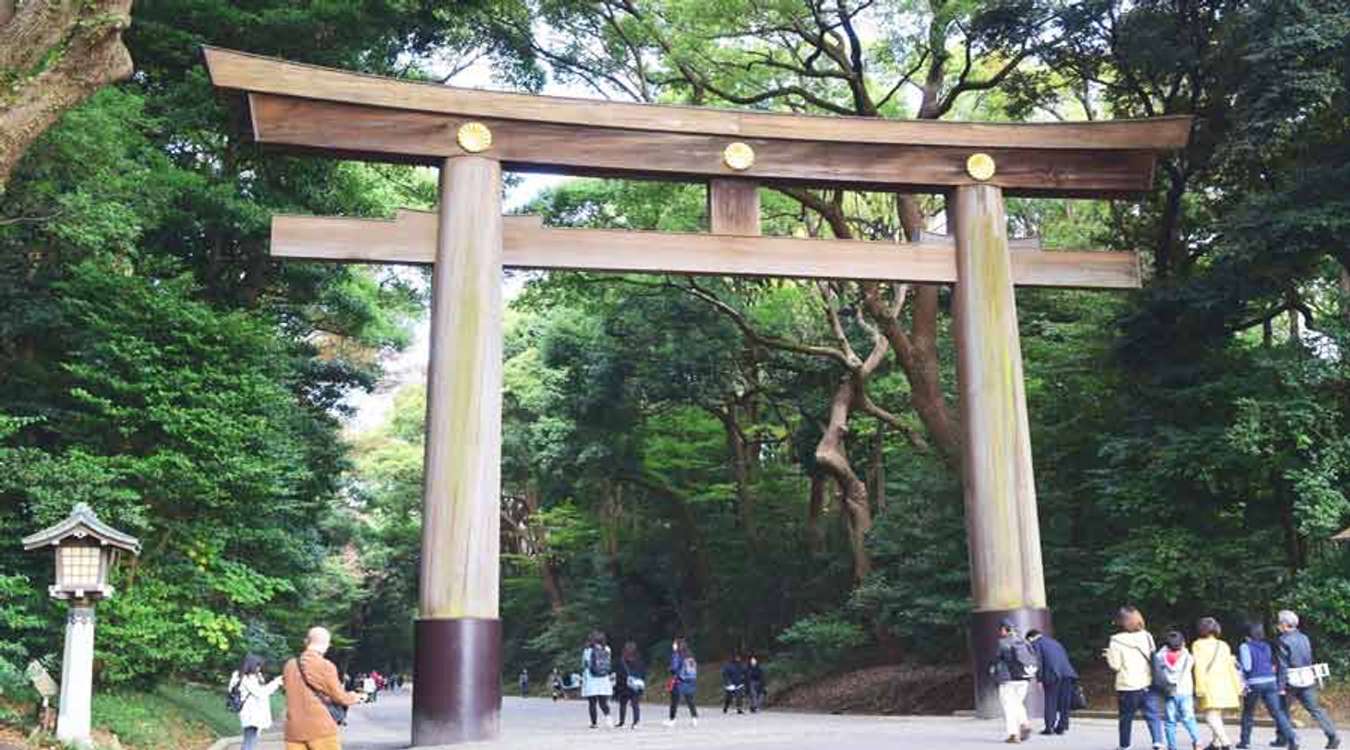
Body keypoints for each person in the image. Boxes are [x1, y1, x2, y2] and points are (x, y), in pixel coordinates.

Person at [282, 626, 362, 750]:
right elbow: (340, 697)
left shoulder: (289, 666)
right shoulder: (325, 666)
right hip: (321, 729)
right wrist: (355, 697)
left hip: (294, 731)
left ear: (306, 642)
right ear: (327, 645)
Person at [1274, 610, 1340, 750]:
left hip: (1291, 679)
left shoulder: (1282, 640)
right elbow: (1308, 657)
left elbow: (1282, 665)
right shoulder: (1304, 637)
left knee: (1282, 710)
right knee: (1315, 709)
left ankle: (1289, 738)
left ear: (1285, 625)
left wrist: (1280, 686)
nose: (1278, 626)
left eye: (1279, 623)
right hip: (1307, 676)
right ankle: (1332, 735)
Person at [1104, 606, 1163, 750]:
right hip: (1148, 682)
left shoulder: (1116, 640)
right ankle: (1158, 742)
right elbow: (1152, 656)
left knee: (1126, 718)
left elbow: (1116, 666)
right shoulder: (1147, 636)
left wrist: (1108, 655)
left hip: (1128, 686)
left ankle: (1125, 745)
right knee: (1153, 715)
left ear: (1121, 622)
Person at [1237, 623, 1299, 750]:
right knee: (1277, 712)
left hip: (1254, 682)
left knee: (1248, 712)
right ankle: (1292, 739)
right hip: (1271, 681)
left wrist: (1238, 666)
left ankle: (1245, 741)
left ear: (1247, 636)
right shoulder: (1266, 646)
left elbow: (1247, 666)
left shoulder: (1245, 646)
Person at [1193, 617, 1241, 750]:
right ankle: (1216, 743)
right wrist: (1238, 685)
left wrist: (1199, 688)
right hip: (1226, 683)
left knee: (1210, 716)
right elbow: (1231, 666)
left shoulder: (1198, 645)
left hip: (1209, 684)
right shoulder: (1223, 645)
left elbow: (1199, 667)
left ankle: (1225, 742)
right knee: (1217, 714)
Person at [1154, 631, 1203, 750]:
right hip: (1185, 692)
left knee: (1170, 722)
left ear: (1166, 645)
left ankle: (1172, 746)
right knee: (1189, 717)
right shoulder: (1188, 657)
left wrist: (1164, 649)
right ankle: (1197, 741)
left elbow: (1156, 663)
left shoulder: (1161, 657)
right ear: (1183, 643)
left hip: (1168, 692)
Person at [992, 619, 1037, 744]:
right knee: (1017, 703)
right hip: (1024, 678)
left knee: (1008, 707)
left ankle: (1013, 734)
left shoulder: (1003, 643)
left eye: (1001, 629)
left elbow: (997, 660)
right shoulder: (1025, 642)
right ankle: (1024, 724)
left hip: (1008, 680)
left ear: (1004, 629)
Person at [1027, 629, 1078, 736]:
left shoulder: (1036, 644)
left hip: (1051, 674)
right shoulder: (1055, 642)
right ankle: (1062, 726)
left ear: (1030, 638)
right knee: (1064, 701)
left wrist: (1039, 679)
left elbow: (1038, 662)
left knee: (1051, 700)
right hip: (1067, 673)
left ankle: (1049, 727)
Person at [230, 654, 283, 750]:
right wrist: (276, 683)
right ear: (252, 665)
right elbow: (261, 693)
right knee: (250, 740)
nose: (259, 668)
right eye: (258, 666)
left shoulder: (239, 676)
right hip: (251, 713)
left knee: (250, 738)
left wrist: (260, 678)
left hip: (249, 712)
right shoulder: (247, 679)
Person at [581, 630, 614, 728]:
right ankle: (608, 718)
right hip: (604, 679)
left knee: (592, 703)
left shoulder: (588, 650)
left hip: (591, 679)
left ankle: (594, 723)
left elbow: (584, 664)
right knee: (603, 702)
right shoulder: (607, 649)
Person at [664, 638, 699, 728]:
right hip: (690, 681)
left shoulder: (677, 655)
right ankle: (694, 719)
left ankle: (672, 720)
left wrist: (670, 669)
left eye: (675, 644)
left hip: (679, 680)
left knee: (674, 701)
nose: (673, 645)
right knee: (690, 701)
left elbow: (674, 668)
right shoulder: (690, 655)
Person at [614, 641, 645, 729]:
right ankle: (636, 722)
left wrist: (618, 685)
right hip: (636, 685)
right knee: (635, 704)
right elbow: (642, 672)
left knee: (623, 704)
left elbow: (619, 673)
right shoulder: (639, 659)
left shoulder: (622, 660)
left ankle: (621, 722)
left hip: (624, 685)